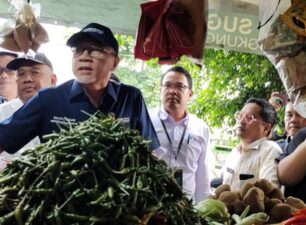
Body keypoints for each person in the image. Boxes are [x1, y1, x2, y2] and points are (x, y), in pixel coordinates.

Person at [0, 22, 160, 153]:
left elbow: (148, 151)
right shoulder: (48, 99)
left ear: (115, 62)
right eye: (78, 50)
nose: (84, 57)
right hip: (61, 190)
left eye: (95, 50)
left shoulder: (131, 97)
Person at [149, 66, 213, 203]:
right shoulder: (146, 120)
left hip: (185, 206)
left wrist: (203, 208)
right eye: (167, 85)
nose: (172, 91)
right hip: (150, 201)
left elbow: (203, 174)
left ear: (190, 94)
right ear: (160, 90)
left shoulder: (200, 128)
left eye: (179, 87)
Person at [0, 53, 57, 169]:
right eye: (21, 74)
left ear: (52, 80)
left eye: (35, 72)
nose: (27, 79)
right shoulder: (2, 113)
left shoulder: (70, 111)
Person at [221, 98, 282, 191]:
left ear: (266, 128)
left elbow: (268, 193)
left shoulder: (269, 150)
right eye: (240, 115)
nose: (241, 121)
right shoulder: (234, 152)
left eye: (249, 118)